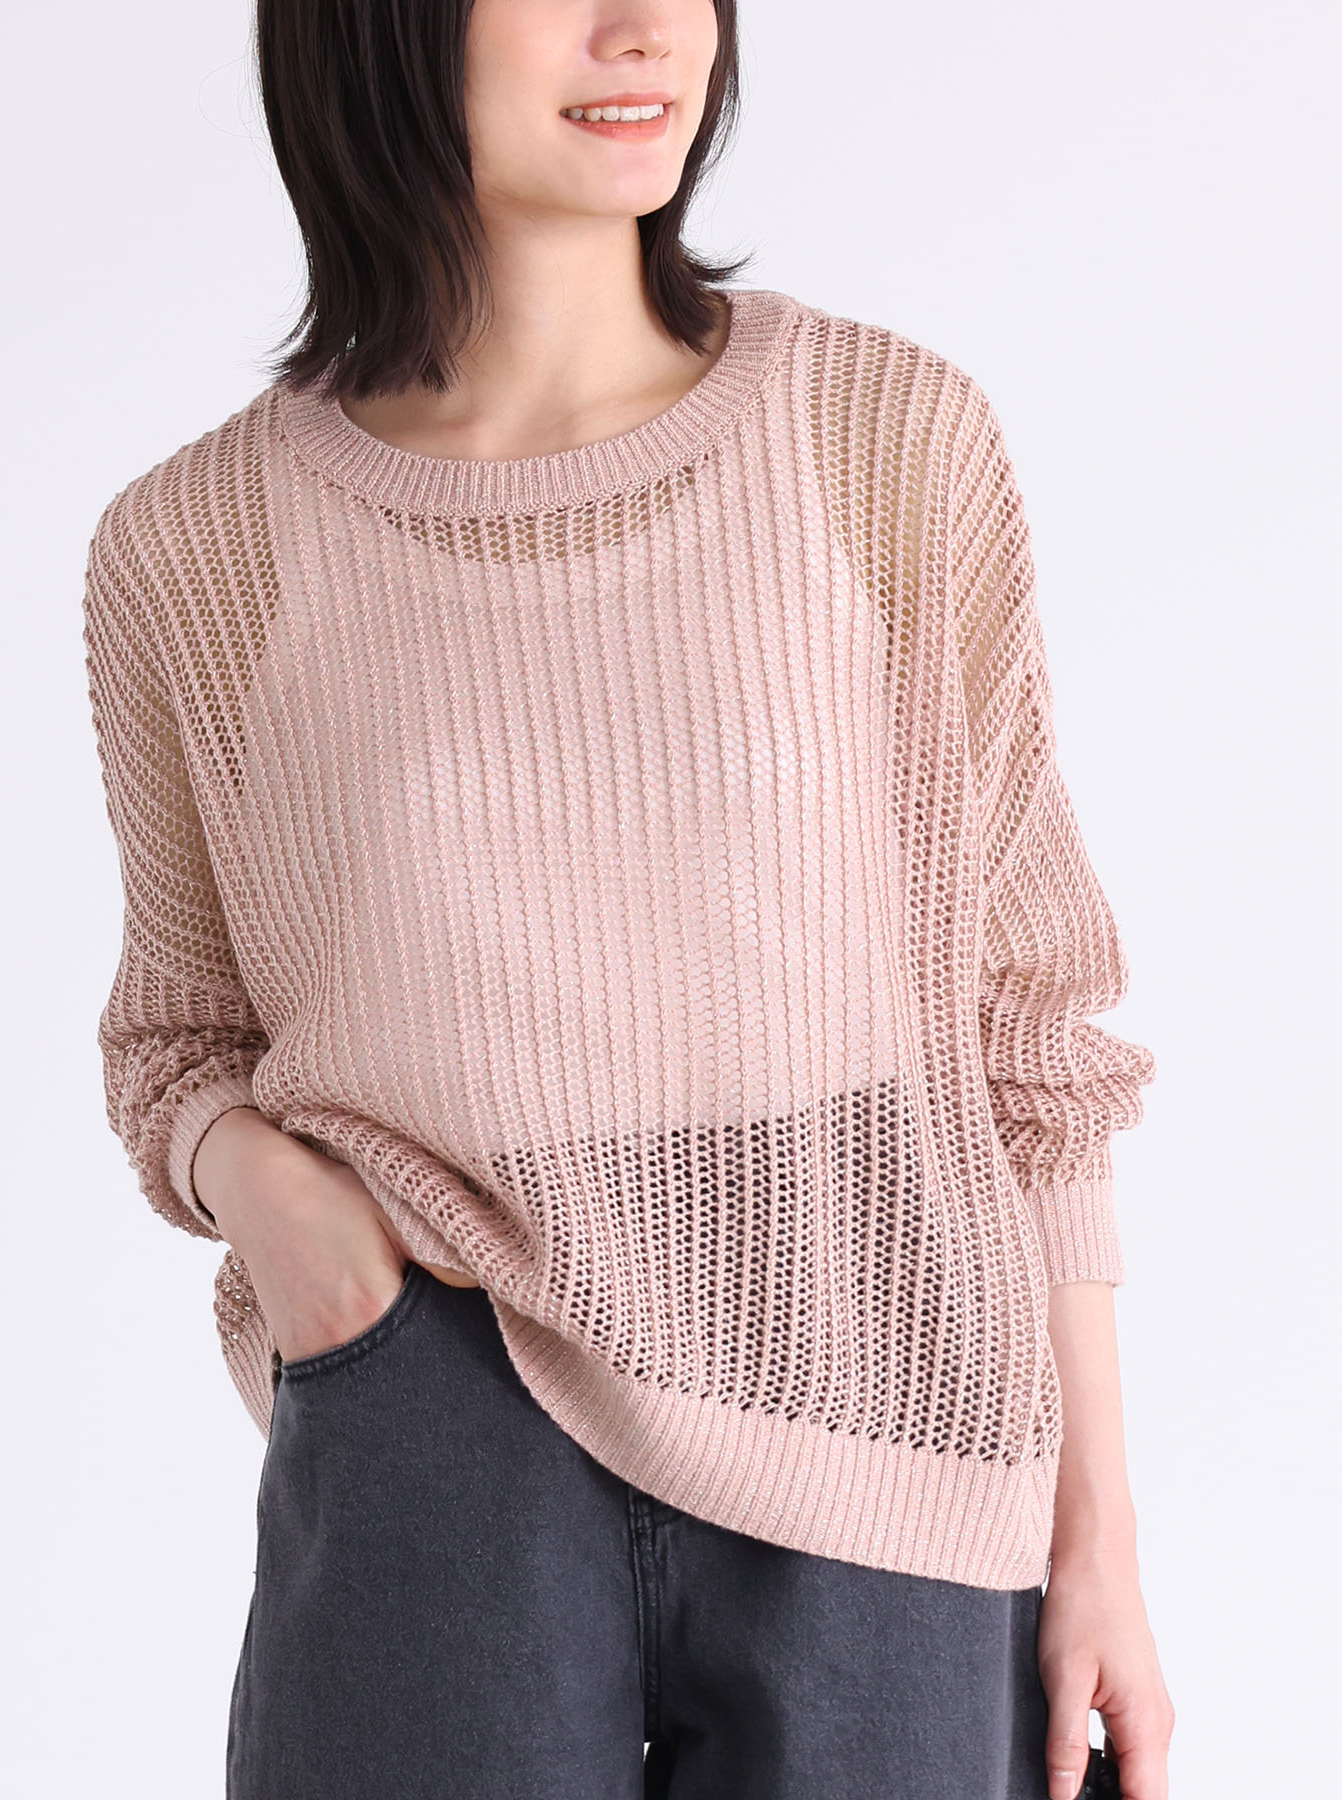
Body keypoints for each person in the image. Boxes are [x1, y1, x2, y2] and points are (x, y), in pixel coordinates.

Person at [80, 1, 1176, 1795]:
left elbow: (1029, 1031)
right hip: (433, 1416)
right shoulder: (198, 547)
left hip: (881, 1404)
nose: (644, 28)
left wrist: (1100, 1541)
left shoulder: (882, 439)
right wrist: (282, 1216)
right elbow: (178, 1045)